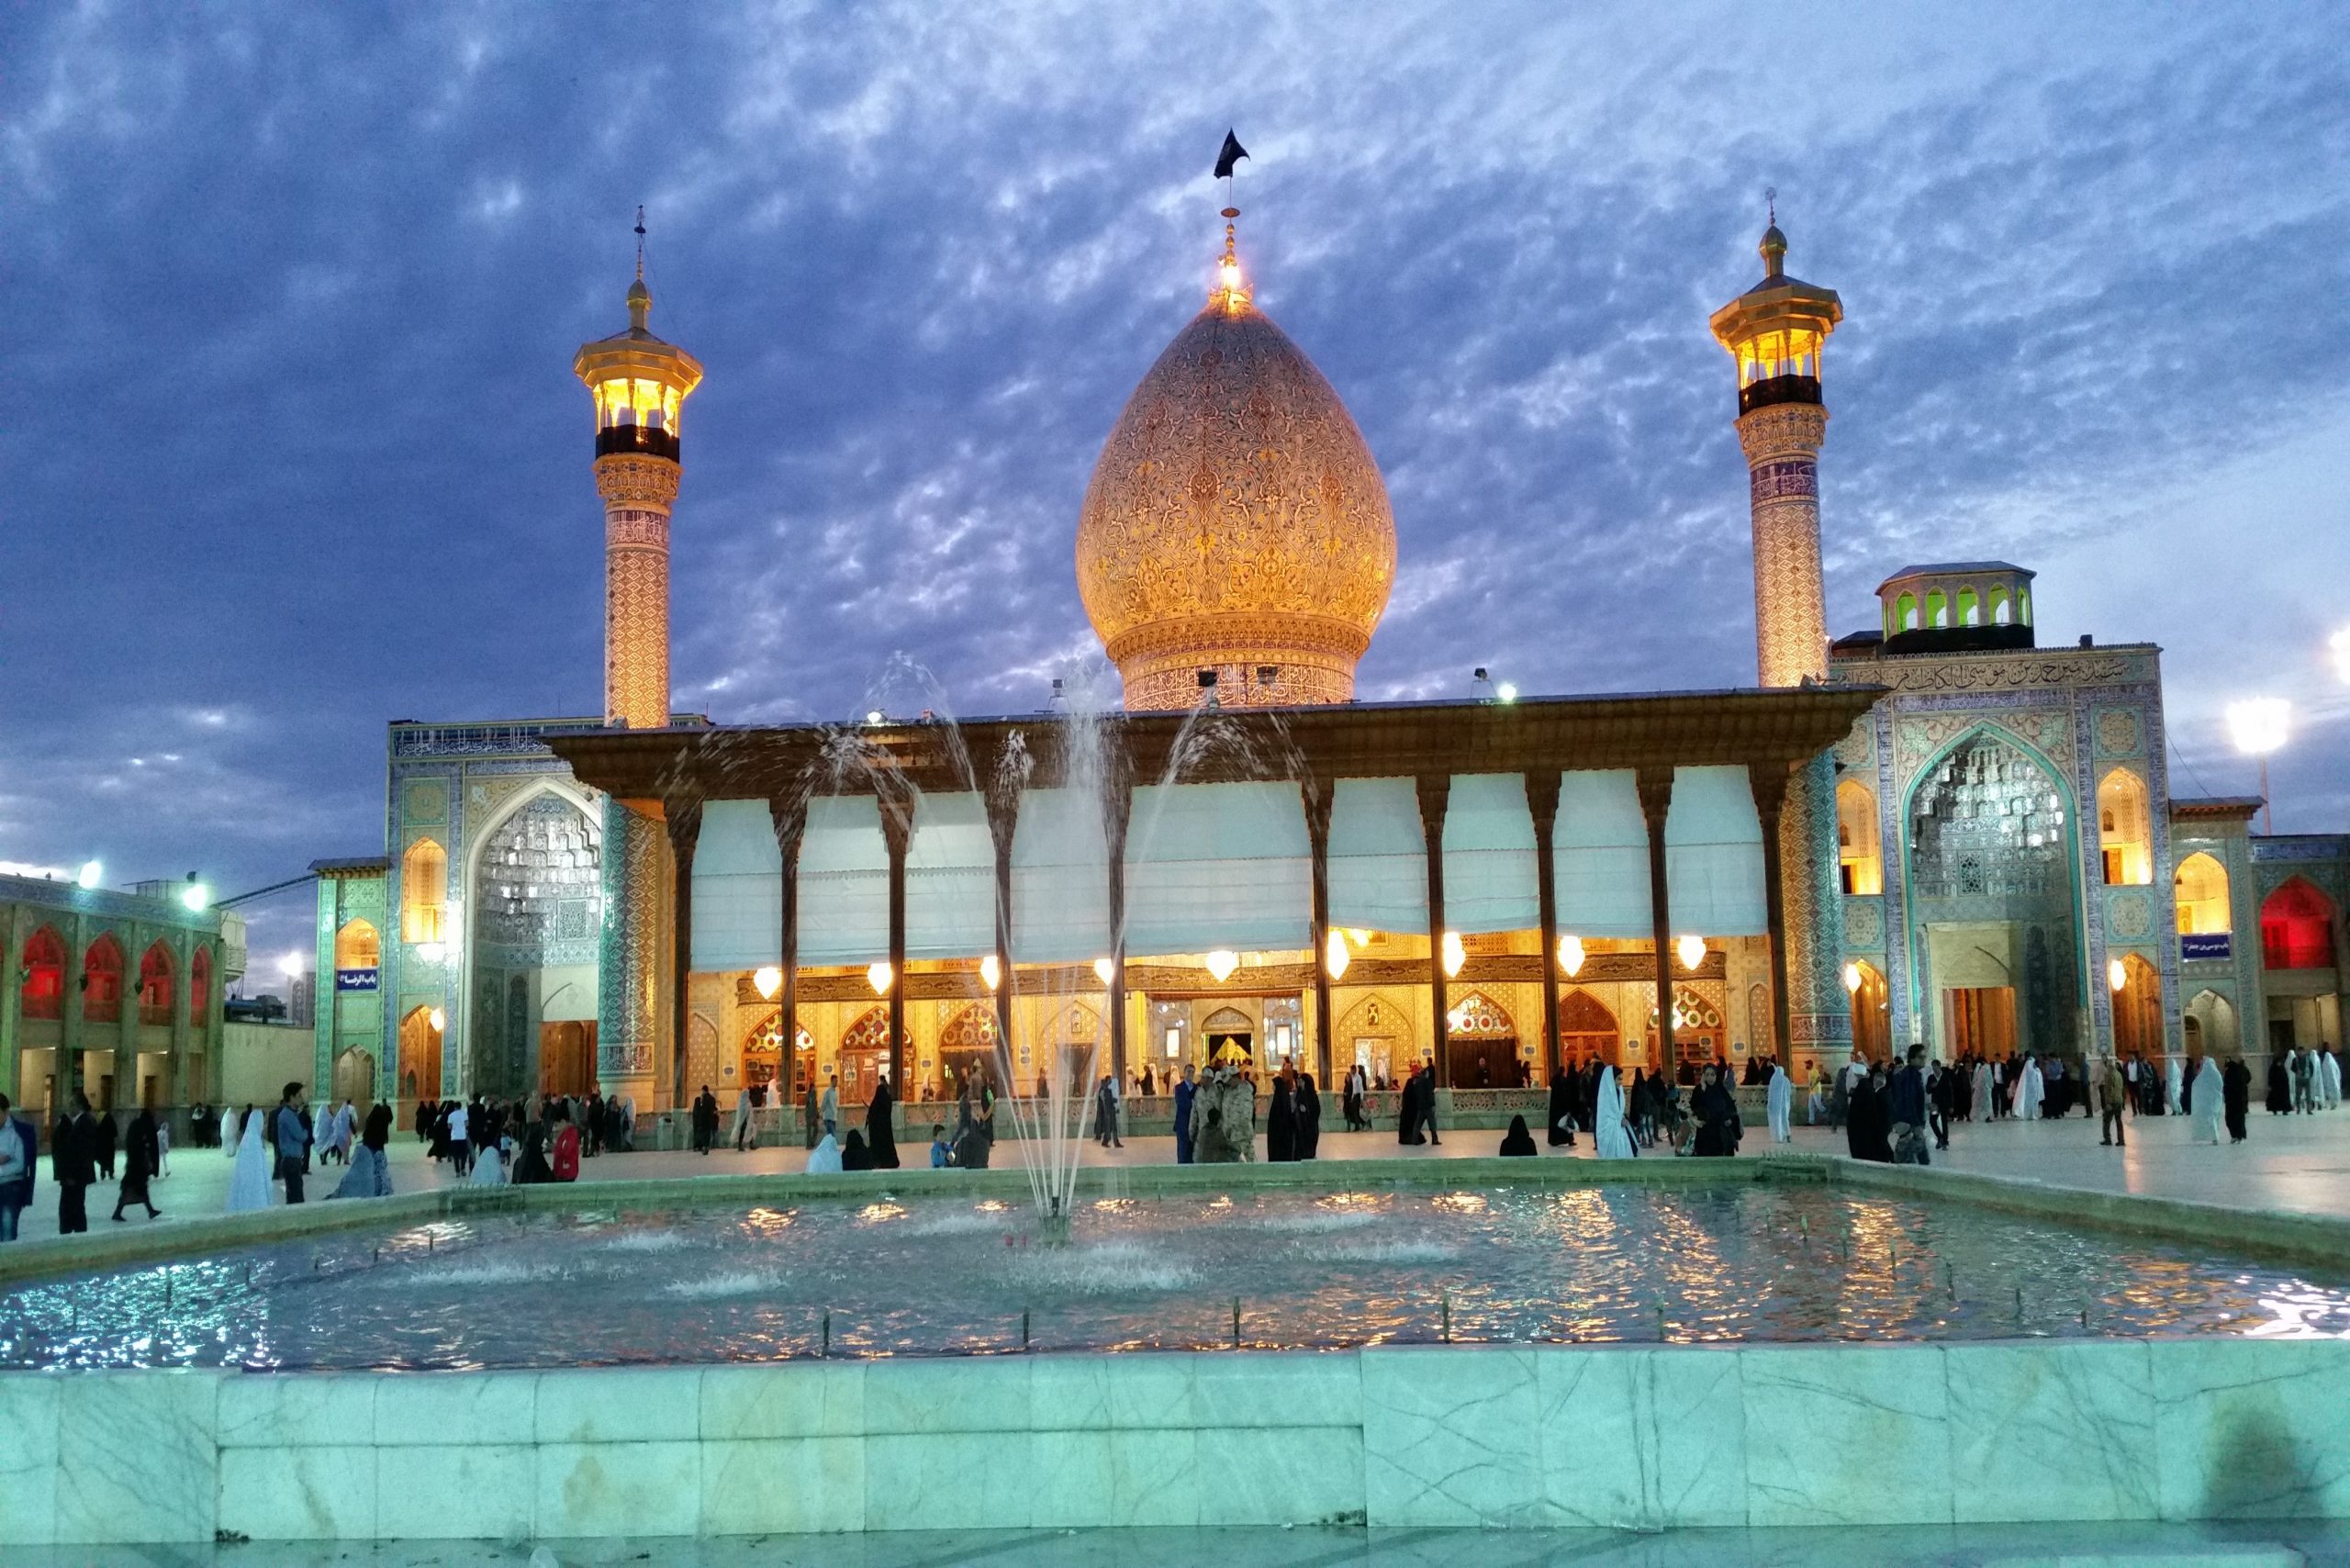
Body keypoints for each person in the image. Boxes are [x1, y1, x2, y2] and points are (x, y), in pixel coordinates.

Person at [332, 1103, 397, 1197]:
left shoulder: (370, 1119)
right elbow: (382, 1133)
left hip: (369, 1144)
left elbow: (367, 1132)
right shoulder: (381, 1121)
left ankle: (343, 1160)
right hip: (377, 1145)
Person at [111, 1106, 162, 1222]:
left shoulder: (135, 1125)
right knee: (136, 1188)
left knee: (137, 1188)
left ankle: (149, 1210)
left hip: (134, 1163)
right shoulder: (143, 1126)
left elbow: (131, 1142)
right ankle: (119, 1212)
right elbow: (141, 1144)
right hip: (137, 1165)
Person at [226, 1106, 273, 1212]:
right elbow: (256, 1170)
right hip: (254, 1187)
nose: (265, 1126)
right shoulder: (253, 1143)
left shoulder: (249, 1138)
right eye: (264, 1123)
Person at [273, 1082, 312, 1203]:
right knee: (296, 1197)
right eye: (299, 1096)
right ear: (291, 1097)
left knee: (293, 1196)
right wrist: (306, 1131)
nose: (302, 1099)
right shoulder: (288, 1115)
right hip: (291, 1161)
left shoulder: (290, 1114)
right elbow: (300, 1135)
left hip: (292, 1160)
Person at [0, 1093, 31, 1241]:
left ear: (6, 1111)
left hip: (10, 1188)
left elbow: (20, 1165)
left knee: (7, 1228)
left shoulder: (17, 1132)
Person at [1691, 1064, 1740, 1157]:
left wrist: (1729, 1119)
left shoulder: (1720, 1089)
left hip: (1721, 1133)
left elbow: (1730, 1107)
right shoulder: (1699, 1090)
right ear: (1703, 1076)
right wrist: (1703, 1089)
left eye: (1712, 1075)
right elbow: (1694, 1106)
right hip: (1705, 1133)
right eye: (1707, 1075)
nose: (1710, 1078)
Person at [1594, 1066, 1637, 1159]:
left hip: (1620, 1132)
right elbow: (1604, 1117)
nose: (1620, 1082)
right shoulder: (1605, 1095)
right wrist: (1618, 1122)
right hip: (1609, 1134)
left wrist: (1621, 1119)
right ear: (1611, 1079)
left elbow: (1618, 1112)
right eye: (1618, 1079)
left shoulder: (1619, 1091)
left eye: (1621, 1079)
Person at [867, 1072, 901, 1169]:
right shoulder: (887, 1100)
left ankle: (878, 1161)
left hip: (877, 1134)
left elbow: (872, 1117)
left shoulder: (875, 1104)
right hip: (886, 1131)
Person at [1265, 1070, 1296, 1162]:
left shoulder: (1281, 1098)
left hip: (1280, 1135)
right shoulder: (1280, 1097)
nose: (1272, 1087)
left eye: (1274, 1085)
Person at [2222, 1054, 2253, 1145]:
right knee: (2238, 1119)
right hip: (2238, 1101)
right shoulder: (2237, 1073)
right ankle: (2238, 1135)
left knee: (2232, 1119)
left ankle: (2236, 1135)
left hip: (2232, 1102)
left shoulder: (2230, 1074)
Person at [2099, 1057, 2129, 1148]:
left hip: (2112, 1101)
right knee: (2118, 1120)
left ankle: (2107, 1139)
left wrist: (2108, 1103)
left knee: (2106, 1120)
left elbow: (2109, 1090)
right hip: (2119, 1100)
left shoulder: (2109, 1075)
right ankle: (2121, 1140)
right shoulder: (2119, 1074)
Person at [1172, 1063, 1196, 1165]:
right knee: (1182, 1151)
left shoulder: (1196, 1087)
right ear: (1184, 1073)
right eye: (1188, 1071)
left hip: (1194, 1124)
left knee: (1192, 1151)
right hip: (1182, 1124)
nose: (1190, 1074)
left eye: (1192, 1072)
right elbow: (1182, 1104)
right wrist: (1194, 1105)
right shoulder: (1178, 1088)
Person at [1547, 1065, 1576, 1148]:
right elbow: (1566, 1093)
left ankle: (1555, 1140)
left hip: (1555, 1107)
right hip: (1562, 1107)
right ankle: (1569, 1140)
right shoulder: (1563, 1081)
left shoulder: (1555, 1079)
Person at [1094, 1072, 1125, 1149]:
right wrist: (1114, 1100)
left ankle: (1110, 1142)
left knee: (1111, 1127)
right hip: (1109, 1112)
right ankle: (1111, 1142)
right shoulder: (1105, 1091)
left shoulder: (1107, 1090)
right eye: (1110, 1080)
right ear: (1107, 1081)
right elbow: (1107, 1101)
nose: (1111, 1081)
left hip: (1110, 1111)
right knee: (1111, 1127)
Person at [1296, 1071, 1322, 1160]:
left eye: (1301, 1081)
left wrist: (1306, 1110)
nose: (1299, 1082)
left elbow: (1316, 1111)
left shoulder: (1312, 1096)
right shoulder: (1299, 1093)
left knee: (1309, 1150)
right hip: (1301, 1128)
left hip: (1310, 1127)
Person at [1766, 1059, 1792, 1144]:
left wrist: (1769, 1105)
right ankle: (1788, 1135)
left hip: (1776, 1105)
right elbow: (1789, 1092)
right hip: (1785, 1105)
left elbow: (1770, 1094)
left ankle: (1779, 1137)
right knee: (1785, 1120)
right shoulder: (1786, 1080)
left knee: (1777, 1121)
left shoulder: (1773, 1080)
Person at [446, 1098, 472, 1179]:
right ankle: (463, 1169)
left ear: (454, 1107)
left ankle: (457, 1171)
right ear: (460, 1107)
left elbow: (449, 1126)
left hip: (454, 1137)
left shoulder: (451, 1115)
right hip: (462, 1137)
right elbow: (467, 1124)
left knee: (456, 1155)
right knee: (464, 1154)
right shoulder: (464, 1114)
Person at [732, 1086, 755, 1152]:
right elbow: (744, 1112)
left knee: (749, 1131)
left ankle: (748, 1144)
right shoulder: (744, 1102)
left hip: (746, 1120)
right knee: (742, 1132)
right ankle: (741, 1145)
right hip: (744, 1121)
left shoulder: (745, 1102)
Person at [820, 1070, 840, 1138]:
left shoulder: (835, 1092)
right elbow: (824, 1103)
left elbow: (835, 1104)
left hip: (833, 1117)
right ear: (831, 1081)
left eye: (837, 1081)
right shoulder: (827, 1091)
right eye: (835, 1081)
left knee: (831, 1136)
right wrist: (821, 1112)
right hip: (828, 1117)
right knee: (831, 1135)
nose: (836, 1083)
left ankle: (830, 1148)